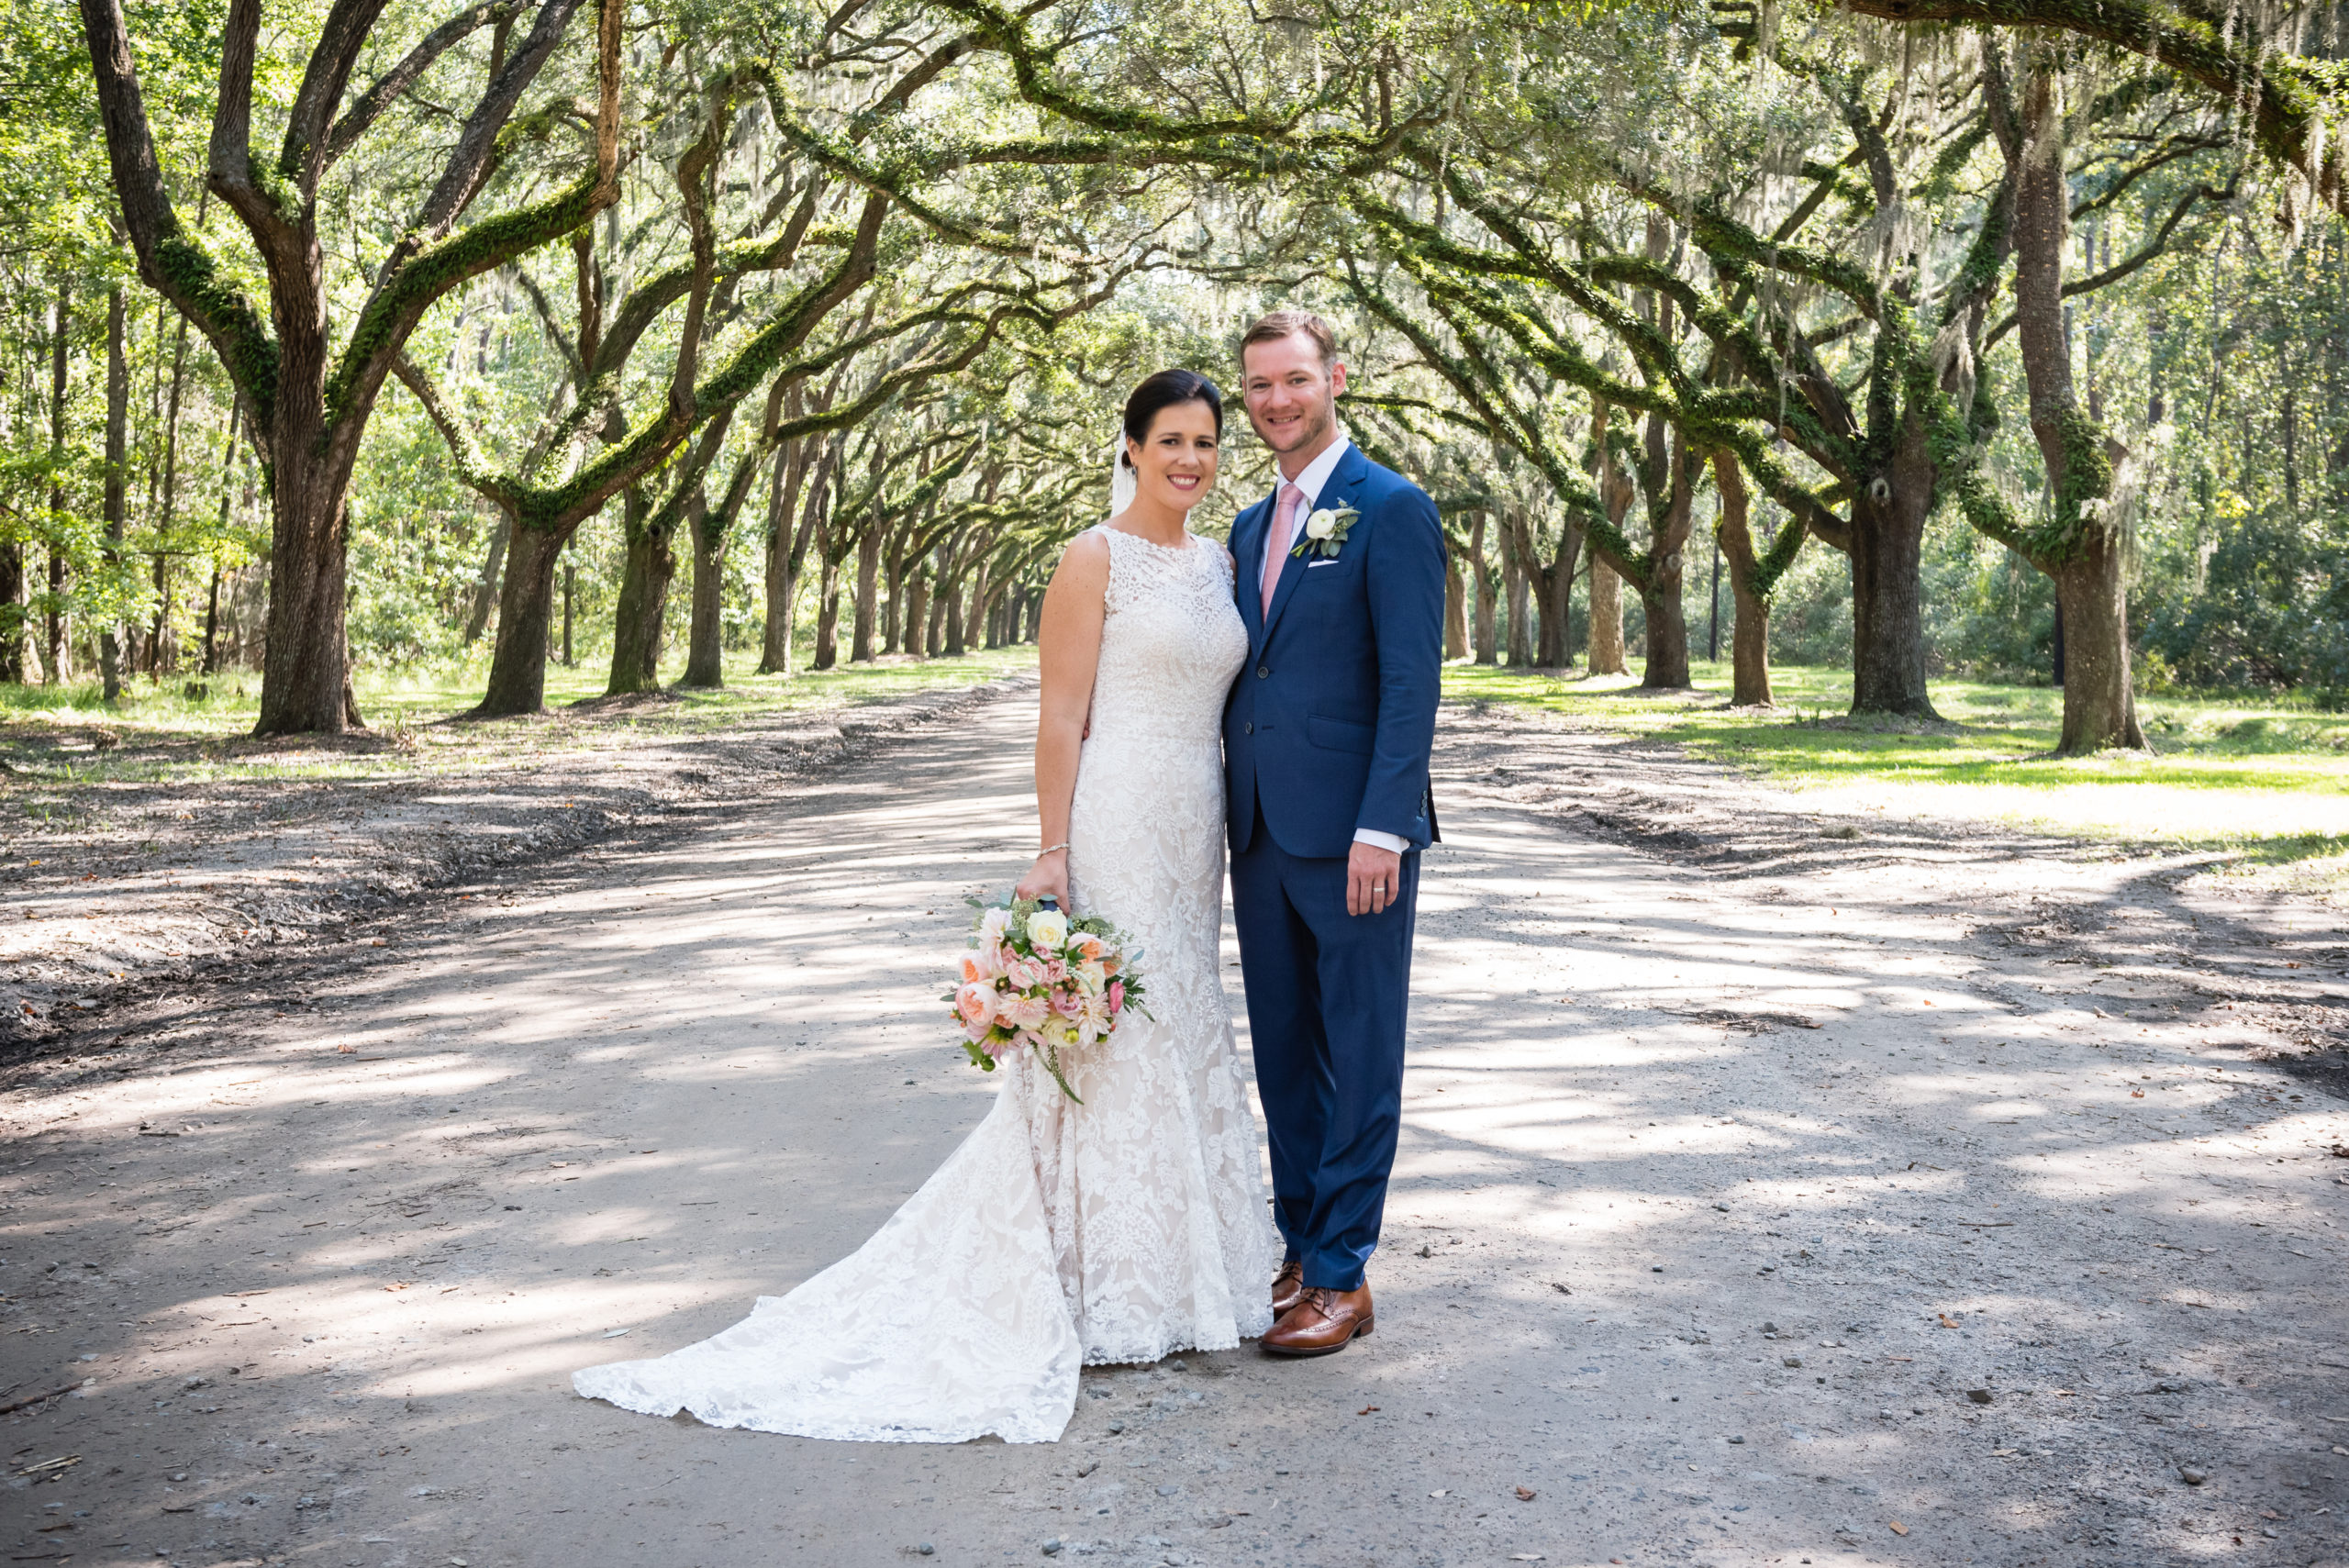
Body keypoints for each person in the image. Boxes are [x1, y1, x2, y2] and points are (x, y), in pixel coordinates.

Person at [571, 368, 1280, 1443]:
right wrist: (1051, 846)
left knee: (1184, 1014)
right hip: (1119, 808)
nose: (1191, 459)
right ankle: (1099, 1281)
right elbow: (1060, 716)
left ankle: (1191, 1271)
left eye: (1206, 442)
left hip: (1198, 821)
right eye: (1171, 439)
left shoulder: (1221, 560)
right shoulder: (1092, 558)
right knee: (1119, 1028)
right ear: (1130, 445)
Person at [1222, 310, 1444, 1356]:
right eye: (1260, 385)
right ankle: (1302, 1242)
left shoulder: (1389, 506)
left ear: (1336, 380)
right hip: (1260, 830)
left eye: (1295, 380)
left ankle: (1346, 1273)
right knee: (1284, 1053)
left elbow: (1410, 683)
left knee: (1358, 1050)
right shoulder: (1244, 524)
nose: (1277, 400)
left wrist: (1384, 828)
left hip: (1355, 837)